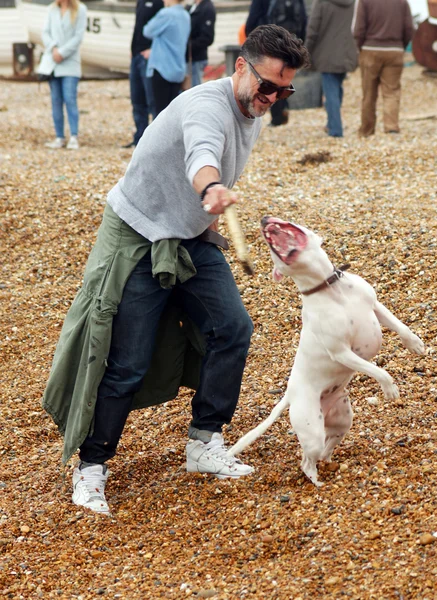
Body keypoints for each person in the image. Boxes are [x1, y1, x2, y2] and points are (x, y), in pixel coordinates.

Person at [42, 24, 310, 516]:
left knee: (232, 328)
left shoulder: (253, 108)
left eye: (284, 88)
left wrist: (205, 204)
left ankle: (204, 442)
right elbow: (201, 154)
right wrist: (210, 189)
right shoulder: (206, 106)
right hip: (139, 232)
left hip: (188, 235)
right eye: (267, 85)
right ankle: (91, 467)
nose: (273, 96)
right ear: (239, 67)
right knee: (126, 359)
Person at [352, 0, 414, 137]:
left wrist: (360, 47)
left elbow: (358, 29)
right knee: (391, 91)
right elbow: (409, 28)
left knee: (369, 93)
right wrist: (401, 46)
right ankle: (391, 127)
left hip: (370, 49)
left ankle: (367, 130)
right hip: (394, 50)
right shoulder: (402, 2)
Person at [245, 0, 307, 126]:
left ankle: (276, 116)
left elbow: (252, 19)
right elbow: (304, 19)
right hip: (292, 44)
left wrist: (252, 40)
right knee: (283, 80)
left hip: (269, 45)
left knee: (270, 81)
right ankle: (283, 107)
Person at [37, 0, 87, 150]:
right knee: (56, 101)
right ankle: (59, 136)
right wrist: (53, 49)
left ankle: (73, 136)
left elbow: (78, 37)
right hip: (53, 62)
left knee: (70, 99)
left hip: (70, 63)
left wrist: (62, 52)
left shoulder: (80, 9)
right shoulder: (51, 9)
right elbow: (45, 32)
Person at [305, 0, 358, 138]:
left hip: (326, 53)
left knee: (331, 92)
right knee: (337, 87)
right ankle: (331, 123)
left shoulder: (321, 2)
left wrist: (306, 51)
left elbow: (313, 29)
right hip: (346, 52)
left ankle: (335, 129)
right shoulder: (351, 2)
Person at [123, 0, 164, 148]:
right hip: (136, 56)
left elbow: (162, 29)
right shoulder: (140, 2)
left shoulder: (159, 3)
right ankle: (139, 137)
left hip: (148, 57)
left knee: (152, 99)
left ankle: (154, 140)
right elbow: (138, 26)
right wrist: (132, 48)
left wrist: (154, 50)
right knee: (137, 99)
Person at [143, 0, 191, 116]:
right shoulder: (186, 15)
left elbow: (147, 31)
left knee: (160, 113)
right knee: (173, 112)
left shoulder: (166, 14)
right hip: (178, 69)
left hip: (162, 68)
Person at [186, 0, 216, 87]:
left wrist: (187, 46)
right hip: (187, 58)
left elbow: (207, 38)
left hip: (196, 59)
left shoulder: (207, 8)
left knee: (193, 90)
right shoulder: (192, 6)